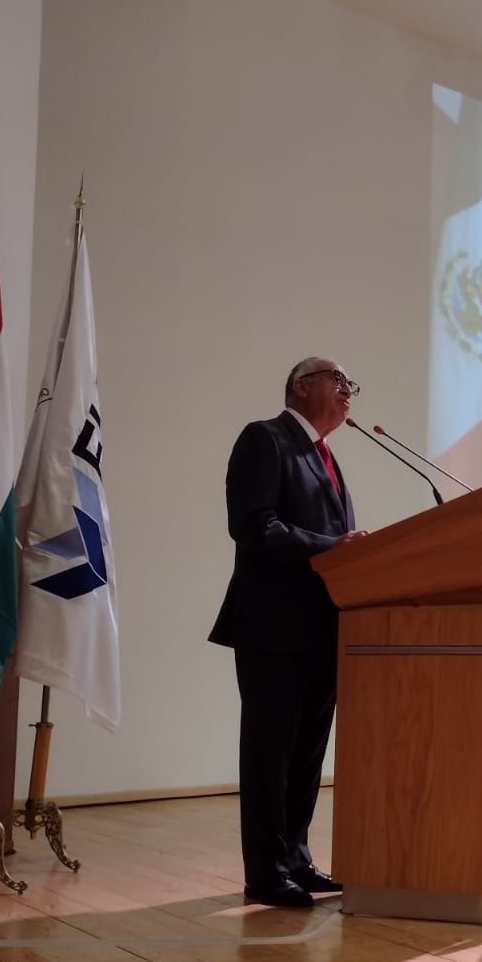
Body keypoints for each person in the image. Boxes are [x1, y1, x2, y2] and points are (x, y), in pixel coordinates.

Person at [209, 356, 371, 907]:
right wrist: (334, 548)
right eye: (340, 381)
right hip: (272, 630)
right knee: (269, 755)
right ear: (303, 386)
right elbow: (254, 526)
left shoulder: (327, 458)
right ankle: (265, 871)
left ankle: (296, 861)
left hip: (323, 630)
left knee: (305, 756)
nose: (350, 392)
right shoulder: (266, 439)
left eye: (353, 385)